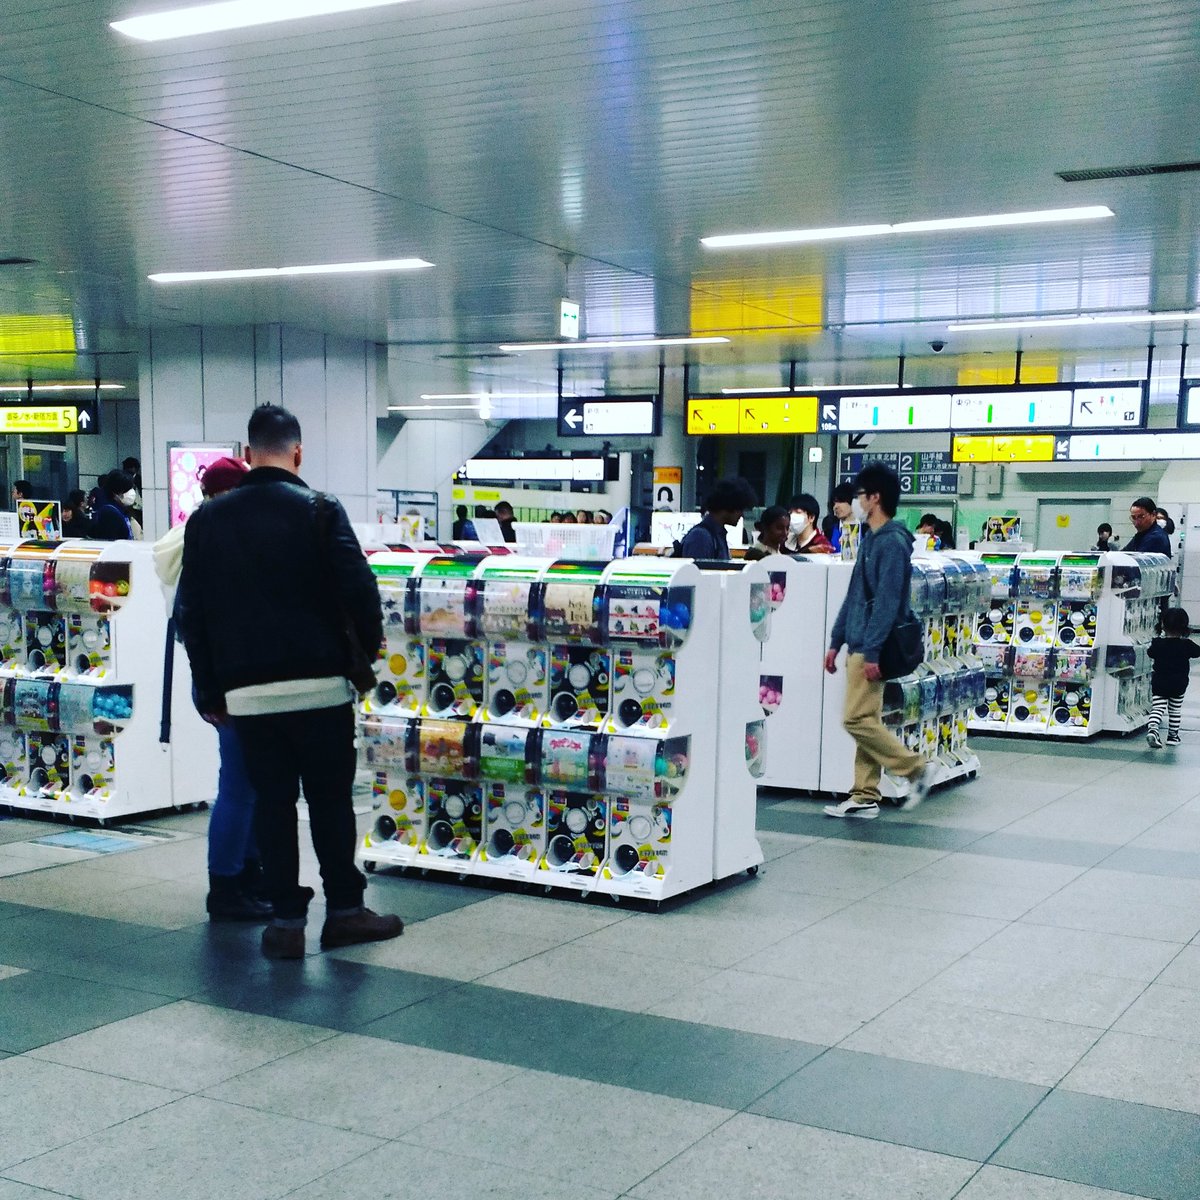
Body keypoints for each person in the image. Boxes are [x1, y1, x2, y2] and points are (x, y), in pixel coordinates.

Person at [176, 404, 401, 960]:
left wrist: (210, 692)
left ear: (248, 455)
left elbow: (193, 616)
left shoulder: (206, 521)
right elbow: (361, 591)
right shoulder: (320, 510)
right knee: (330, 804)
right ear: (297, 453)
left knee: (272, 805)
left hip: (248, 697)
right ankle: (345, 912)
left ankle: (285, 924)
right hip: (321, 689)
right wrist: (361, 659)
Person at [153, 455, 270, 922]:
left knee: (251, 783)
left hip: (227, 682)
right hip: (231, 684)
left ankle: (245, 875)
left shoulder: (196, 537)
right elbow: (197, 623)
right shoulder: (210, 541)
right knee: (241, 786)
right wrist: (212, 690)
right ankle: (226, 885)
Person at [823, 463, 937, 819]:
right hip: (857, 640)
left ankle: (916, 767)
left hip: (870, 647)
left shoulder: (891, 543)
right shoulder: (871, 539)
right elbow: (856, 594)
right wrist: (835, 639)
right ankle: (864, 795)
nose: (854, 502)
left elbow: (887, 603)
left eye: (859, 495)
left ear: (874, 498)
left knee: (855, 720)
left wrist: (869, 650)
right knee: (867, 720)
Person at [1146, 607, 1199, 749]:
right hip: (1179, 683)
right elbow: (1198, 652)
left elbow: (1150, 653)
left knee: (1157, 708)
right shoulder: (1186, 644)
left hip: (1160, 682)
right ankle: (1173, 736)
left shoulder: (1157, 643)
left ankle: (1153, 729)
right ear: (1184, 626)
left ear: (1162, 624)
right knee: (1175, 710)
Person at [678, 477, 757, 560]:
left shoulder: (715, 535)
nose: (742, 515)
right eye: (740, 509)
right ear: (729, 505)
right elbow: (697, 572)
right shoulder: (701, 538)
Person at [90, 470, 137, 540]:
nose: (131, 492)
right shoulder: (109, 513)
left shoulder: (120, 509)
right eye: (127, 489)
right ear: (116, 491)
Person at [824, 483, 856, 554]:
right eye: (834, 503)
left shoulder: (866, 530)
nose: (836, 507)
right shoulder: (829, 532)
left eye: (840, 501)